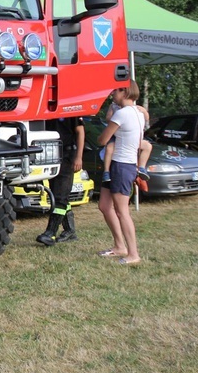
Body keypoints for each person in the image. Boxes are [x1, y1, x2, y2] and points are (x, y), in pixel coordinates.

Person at [97, 81, 144, 265]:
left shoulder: (122, 114)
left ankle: (133, 254)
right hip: (122, 163)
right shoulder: (138, 113)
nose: (112, 95)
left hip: (122, 165)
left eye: (115, 91)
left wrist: (106, 140)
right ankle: (119, 246)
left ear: (125, 91)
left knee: (122, 211)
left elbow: (102, 139)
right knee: (104, 205)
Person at [36, 116, 85, 246]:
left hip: (67, 155)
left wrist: (78, 157)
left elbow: (80, 131)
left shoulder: (70, 109)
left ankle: (50, 233)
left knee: (60, 196)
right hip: (51, 154)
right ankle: (69, 230)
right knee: (59, 195)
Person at [102, 101, 153, 182]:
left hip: (130, 138)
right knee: (109, 148)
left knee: (148, 146)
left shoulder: (135, 108)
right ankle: (106, 171)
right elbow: (108, 118)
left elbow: (147, 118)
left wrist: (143, 111)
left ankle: (142, 167)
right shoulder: (114, 106)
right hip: (117, 135)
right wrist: (118, 116)